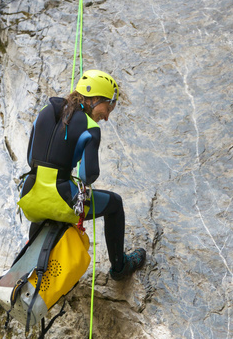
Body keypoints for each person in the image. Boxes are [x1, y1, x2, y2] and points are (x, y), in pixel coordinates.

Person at [18, 70, 146, 280]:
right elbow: (88, 175)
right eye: (108, 106)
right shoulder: (90, 127)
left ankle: (33, 262)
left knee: (44, 208)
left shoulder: (44, 110)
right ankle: (120, 268)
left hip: (29, 195)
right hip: (60, 199)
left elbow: (30, 157)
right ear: (94, 99)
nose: (107, 116)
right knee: (114, 204)